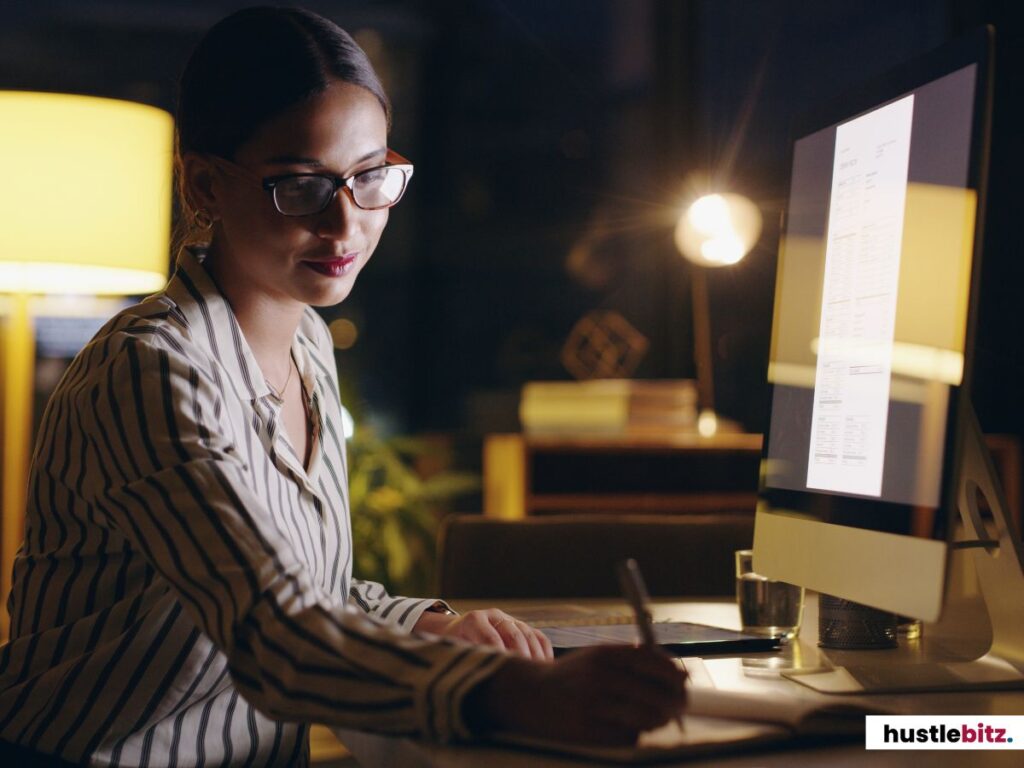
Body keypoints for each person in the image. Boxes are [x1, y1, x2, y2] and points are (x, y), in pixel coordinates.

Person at [0, 7, 686, 766]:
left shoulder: (309, 345)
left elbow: (299, 584)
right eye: (300, 187)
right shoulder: (147, 369)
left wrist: (430, 624)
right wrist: (518, 692)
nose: (346, 224)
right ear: (203, 184)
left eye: (370, 177)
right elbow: (274, 628)